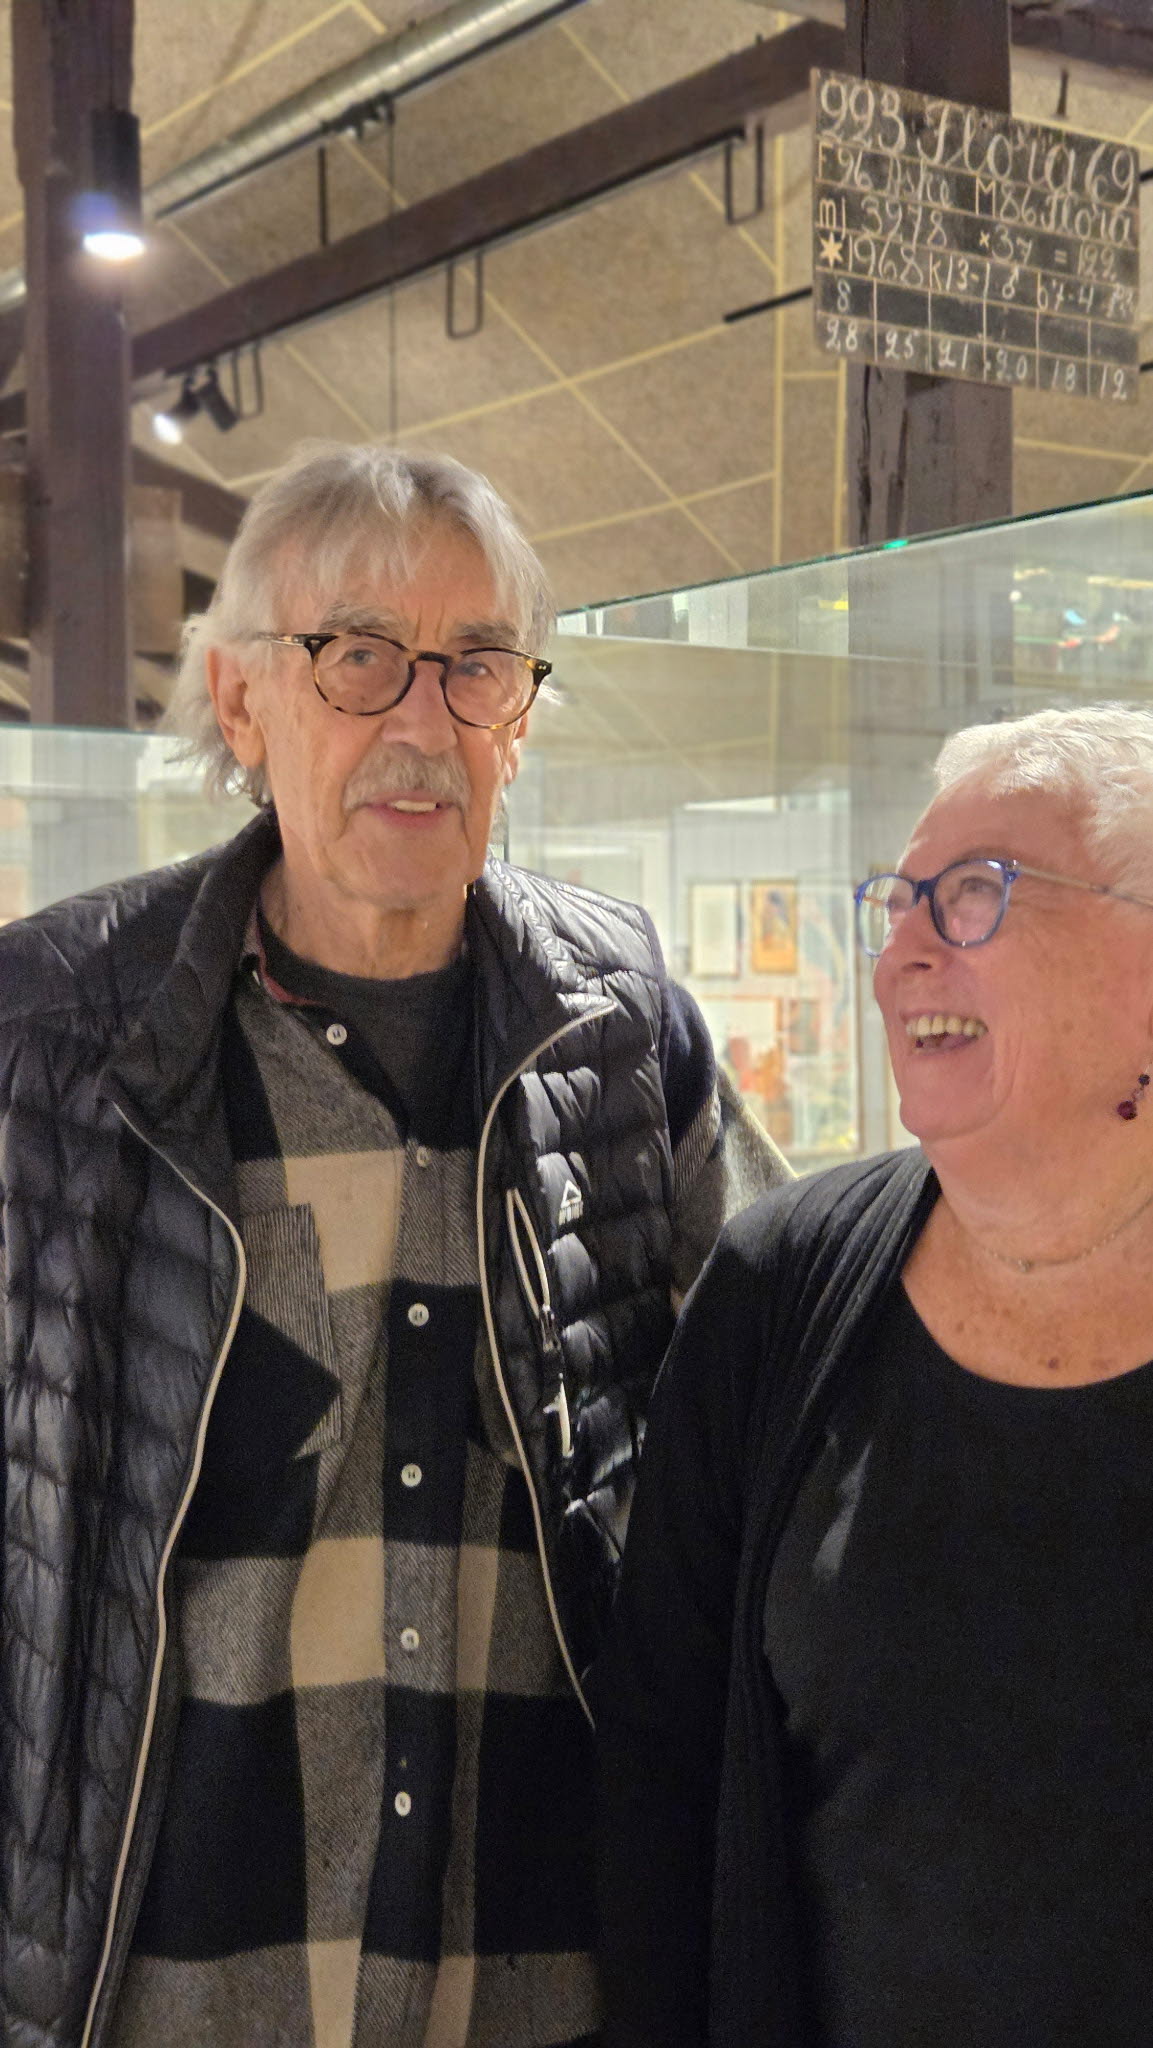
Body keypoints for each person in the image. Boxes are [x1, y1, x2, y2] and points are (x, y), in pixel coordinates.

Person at [0, 443, 788, 2048]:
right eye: (357, 656)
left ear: (519, 720)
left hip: (542, 1983)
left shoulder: (621, 1032)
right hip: (167, 1991)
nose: (422, 723)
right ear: (243, 703)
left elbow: (778, 1382)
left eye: (476, 663)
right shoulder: (52, 1037)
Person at [597, 701, 1153, 2048]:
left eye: (974, 893)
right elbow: (662, 1786)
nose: (902, 949)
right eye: (897, 902)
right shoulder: (776, 1289)